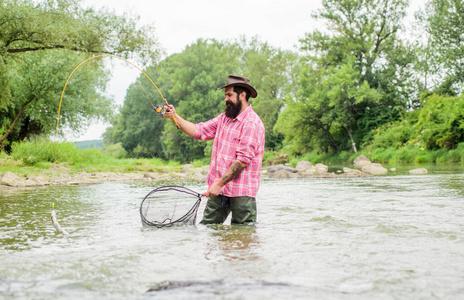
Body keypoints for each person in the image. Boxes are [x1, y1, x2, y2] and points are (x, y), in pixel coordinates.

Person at [163, 75, 265, 225]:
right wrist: (174, 117)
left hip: (242, 193)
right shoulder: (224, 118)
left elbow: (242, 161)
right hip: (219, 191)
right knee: (209, 231)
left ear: (242, 95)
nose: (226, 99)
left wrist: (218, 184)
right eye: (225, 95)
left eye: (229, 95)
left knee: (242, 237)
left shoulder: (252, 123)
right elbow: (199, 131)